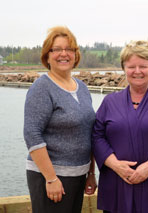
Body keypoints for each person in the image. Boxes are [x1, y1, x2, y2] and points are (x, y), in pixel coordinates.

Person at [92, 40, 148, 213]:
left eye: (143, 66)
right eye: (131, 66)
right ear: (124, 69)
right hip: (116, 181)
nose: (137, 71)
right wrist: (116, 165)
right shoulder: (110, 102)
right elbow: (97, 136)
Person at [24, 26, 97, 213]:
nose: (63, 54)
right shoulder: (42, 88)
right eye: (56, 49)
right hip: (51, 179)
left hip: (78, 175)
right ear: (47, 56)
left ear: (76, 54)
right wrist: (51, 178)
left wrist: (90, 173)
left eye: (69, 49)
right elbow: (32, 134)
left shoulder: (82, 88)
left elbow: (89, 132)